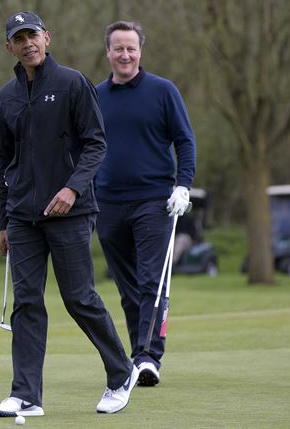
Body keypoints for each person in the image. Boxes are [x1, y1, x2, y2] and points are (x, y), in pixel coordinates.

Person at [0, 11, 137, 418]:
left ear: (47, 38)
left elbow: (95, 144)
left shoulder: (72, 83)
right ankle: (26, 396)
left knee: (79, 298)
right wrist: (3, 221)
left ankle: (121, 372)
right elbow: (0, 164)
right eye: (19, 39)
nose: (27, 44)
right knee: (27, 303)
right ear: (10, 48)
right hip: (22, 217)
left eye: (32, 35)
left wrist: (72, 188)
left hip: (70, 212)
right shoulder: (6, 98)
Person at [95, 21, 196, 387]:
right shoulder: (95, 97)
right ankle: (140, 352)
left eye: (131, 48)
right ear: (107, 52)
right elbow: (84, 149)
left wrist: (183, 186)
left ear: (140, 52)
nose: (125, 55)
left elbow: (184, 141)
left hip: (155, 201)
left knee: (151, 281)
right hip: (106, 204)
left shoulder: (162, 91)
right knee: (127, 287)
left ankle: (147, 357)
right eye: (118, 48)